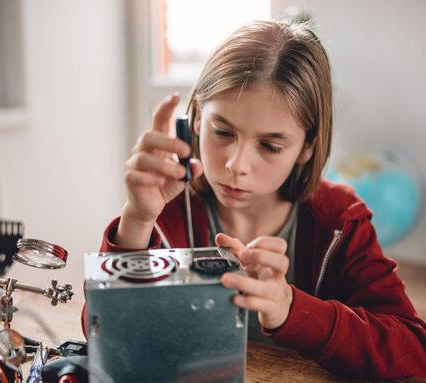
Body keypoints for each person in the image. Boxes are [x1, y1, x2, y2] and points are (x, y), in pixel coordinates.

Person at [82, 20, 426, 379]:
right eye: (223, 132)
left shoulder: (339, 220)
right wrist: (136, 221)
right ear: (197, 117)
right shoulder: (164, 210)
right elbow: (101, 338)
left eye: (270, 145)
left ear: (307, 146)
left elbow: (414, 349)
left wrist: (292, 309)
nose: (236, 165)